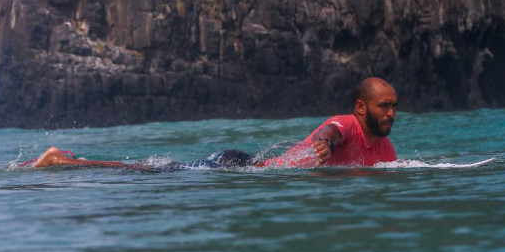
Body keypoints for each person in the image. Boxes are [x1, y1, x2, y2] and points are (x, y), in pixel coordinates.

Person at [29, 77, 398, 170]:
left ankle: (71, 159)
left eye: (395, 107)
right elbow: (330, 131)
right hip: (229, 166)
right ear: (361, 108)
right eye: (384, 106)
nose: (391, 113)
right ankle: (63, 162)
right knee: (150, 170)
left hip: (248, 163)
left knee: (153, 169)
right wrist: (327, 144)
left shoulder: (385, 147)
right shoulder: (346, 124)